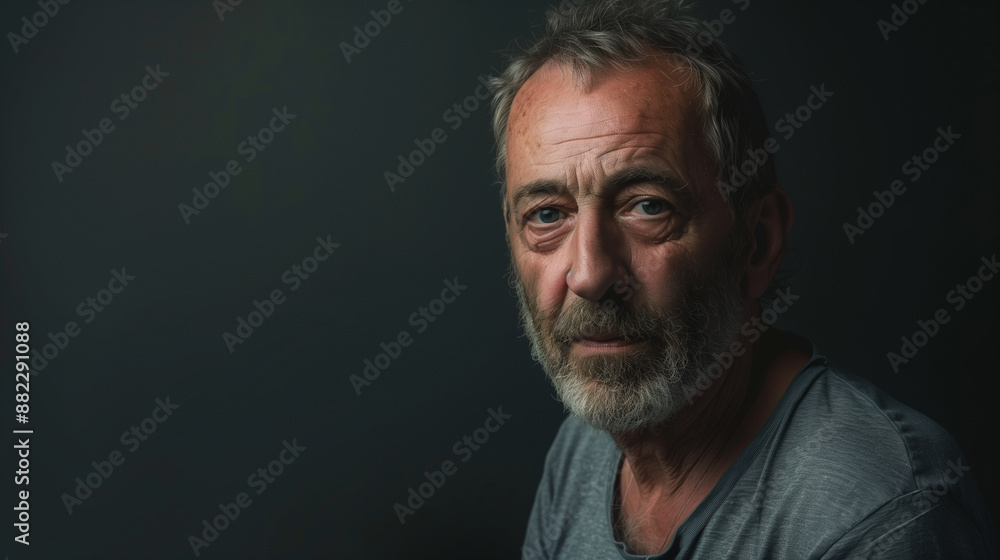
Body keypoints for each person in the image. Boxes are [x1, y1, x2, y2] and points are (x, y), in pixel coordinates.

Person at [487, 0, 998, 557]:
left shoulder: (882, 516)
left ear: (757, 243)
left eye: (647, 207)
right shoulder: (584, 448)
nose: (589, 274)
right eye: (546, 215)